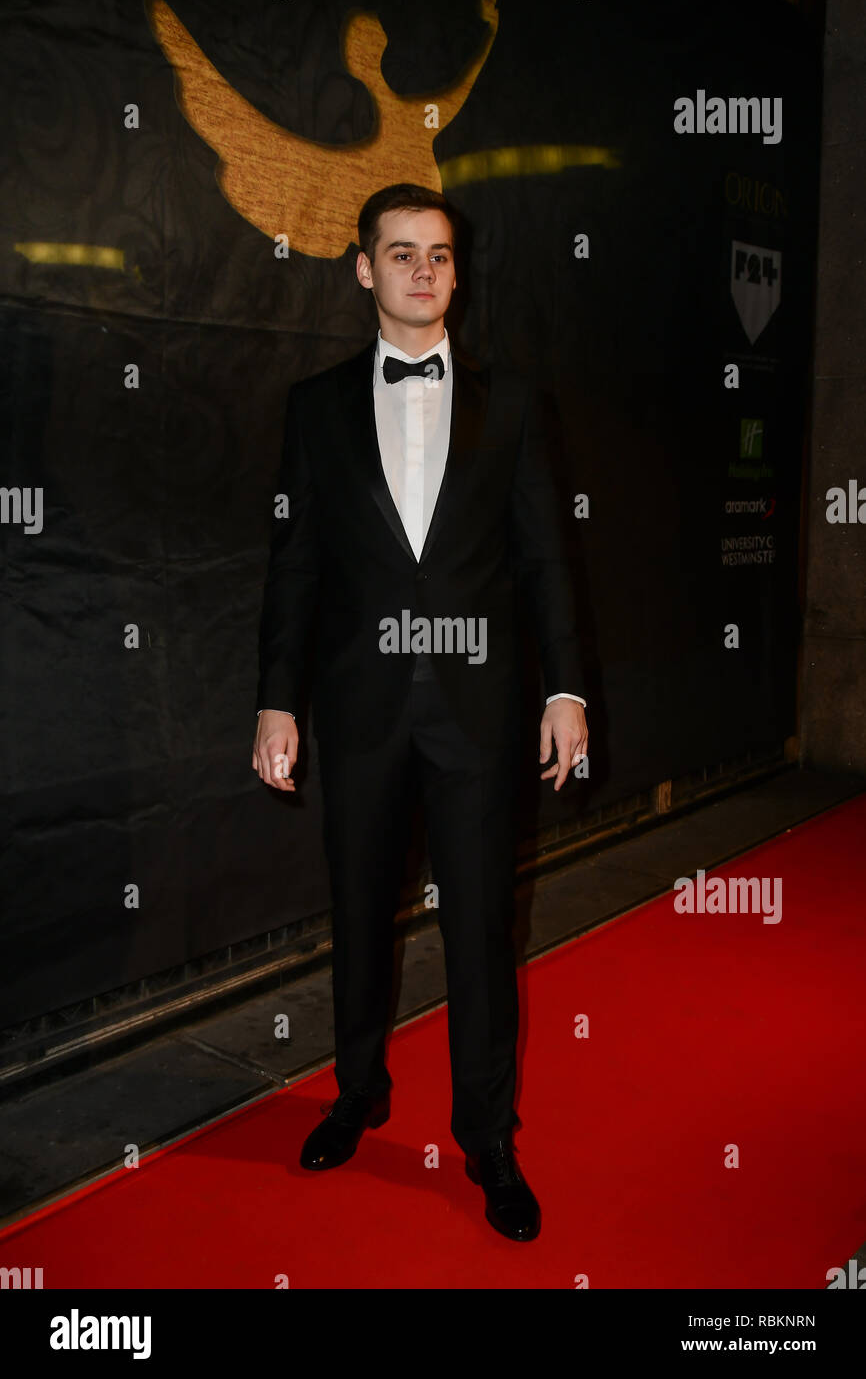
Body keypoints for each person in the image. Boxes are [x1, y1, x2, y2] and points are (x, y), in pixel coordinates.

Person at [253, 182, 588, 1242]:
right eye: (399, 254)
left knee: (481, 927)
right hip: (356, 710)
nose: (420, 271)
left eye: (437, 255)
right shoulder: (312, 407)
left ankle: (487, 1137)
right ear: (362, 268)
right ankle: (357, 1091)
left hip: (479, 713)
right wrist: (275, 701)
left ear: (457, 269)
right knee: (358, 914)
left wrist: (565, 688)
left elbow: (545, 560)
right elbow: (292, 568)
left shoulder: (516, 402)